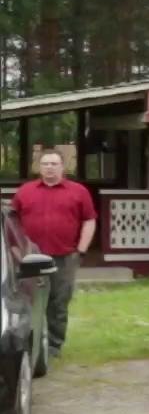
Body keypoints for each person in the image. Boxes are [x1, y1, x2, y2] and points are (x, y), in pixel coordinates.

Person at [10, 152, 96, 359]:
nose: (49, 167)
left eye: (54, 164)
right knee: (26, 299)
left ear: (62, 167)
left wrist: (81, 250)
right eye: (45, 163)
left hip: (64, 256)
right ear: (39, 167)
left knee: (58, 301)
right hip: (29, 259)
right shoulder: (25, 191)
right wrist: (15, 250)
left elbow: (89, 220)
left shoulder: (78, 191)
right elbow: (12, 222)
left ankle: (54, 345)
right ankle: (28, 341)